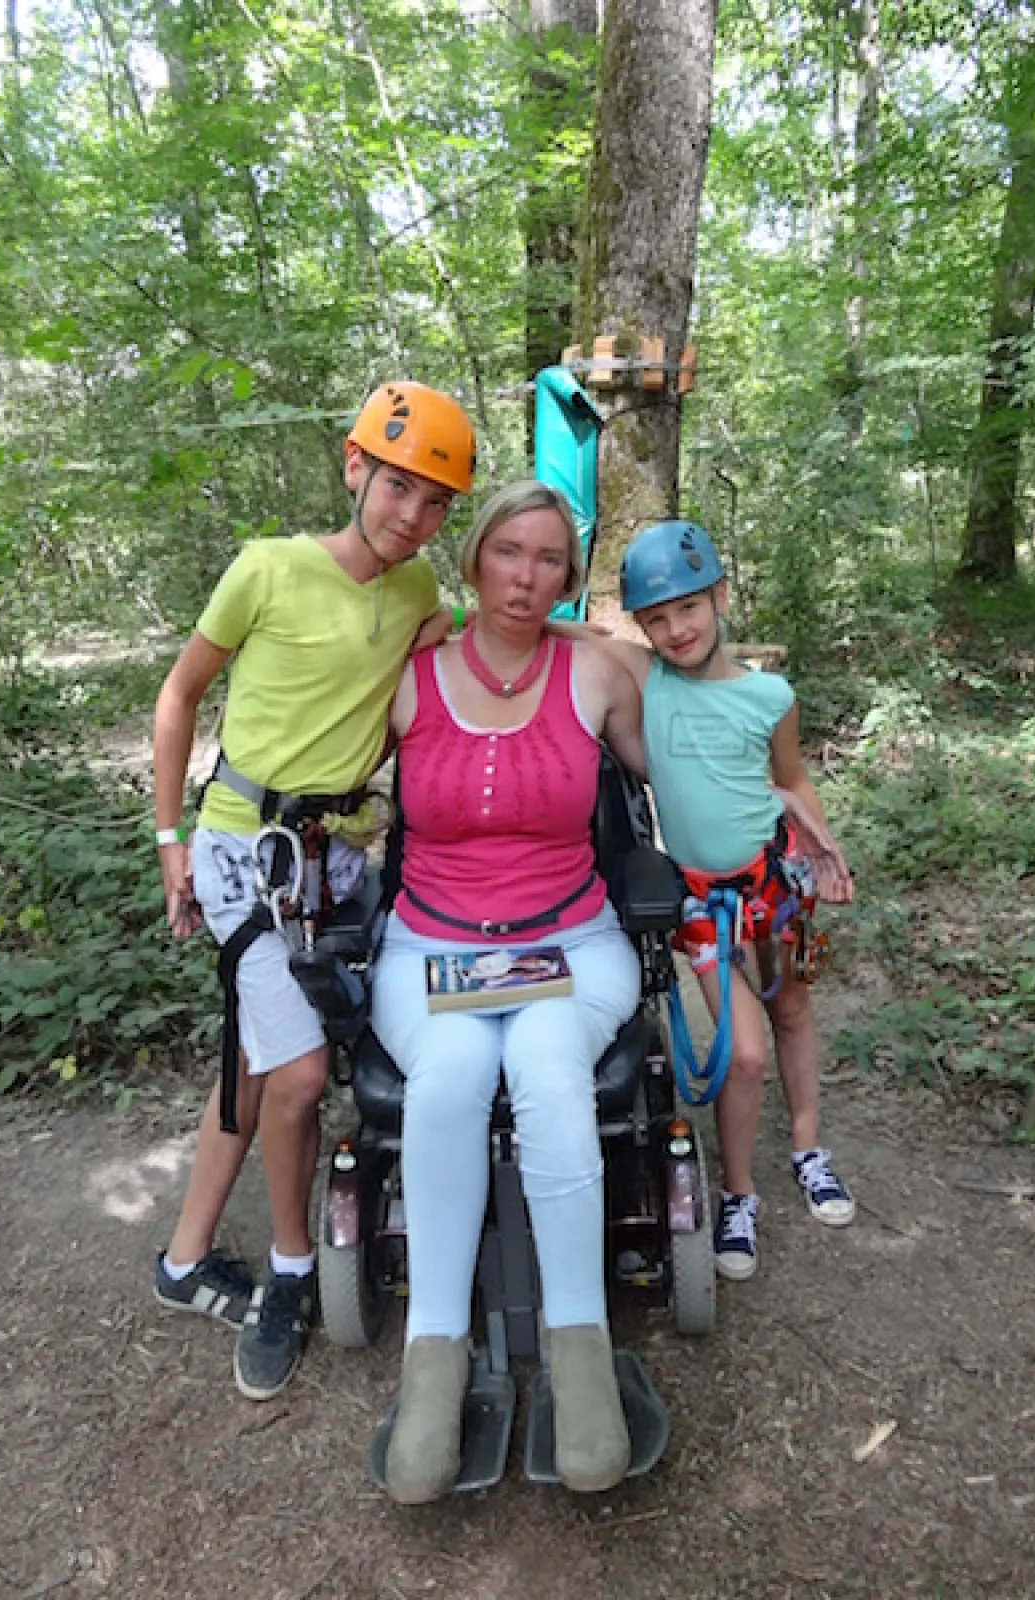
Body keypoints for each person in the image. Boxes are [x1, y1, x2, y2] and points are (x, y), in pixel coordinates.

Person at [151, 381, 476, 1401]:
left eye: (434, 503)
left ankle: (184, 1257)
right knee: (295, 1076)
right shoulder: (270, 569)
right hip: (245, 844)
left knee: (264, 1052)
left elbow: (447, 654)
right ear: (353, 468)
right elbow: (179, 693)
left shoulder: (419, 590)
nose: (411, 517)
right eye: (396, 489)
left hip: (336, 849)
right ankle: (295, 1266)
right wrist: (171, 841)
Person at [369, 480, 647, 1504]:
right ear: (474, 557)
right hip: (428, 949)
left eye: (547, 560)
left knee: (544, 1063)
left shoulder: (598, 673)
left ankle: (581, 1362)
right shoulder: (409, 678)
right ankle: (432, 1366)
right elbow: (314, 760)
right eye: (508, 553)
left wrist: (780, 783)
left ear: (568, 579)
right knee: (446, 1080)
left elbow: (689, 758)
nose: (524, 577)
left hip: (572, 941)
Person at [608, 519, 856, 1282]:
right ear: (640, 626)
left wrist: (814, 834)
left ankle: (808, 1146)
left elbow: (790, 773)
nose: (676, 629)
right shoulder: (644, 679)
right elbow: (554, 630)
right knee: (742, 1053)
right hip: (701, 904)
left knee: (792, 1012)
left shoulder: (770, 695)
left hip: (772, 882)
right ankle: (739, 1195)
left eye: (688, 607)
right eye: (656, 617)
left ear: (719, 596)